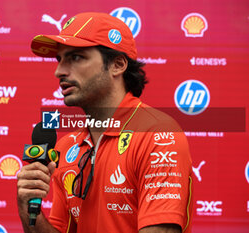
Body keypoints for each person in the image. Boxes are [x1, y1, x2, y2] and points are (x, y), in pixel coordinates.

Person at [17, 12, 193, 233]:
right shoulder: (66, 147)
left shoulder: (159, 135)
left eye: (76, 57)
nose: (59, 71)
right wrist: (27, 207)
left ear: (117, 65)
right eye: (59, 59)